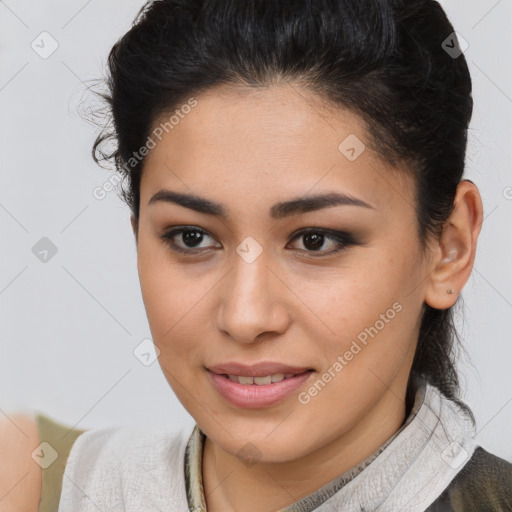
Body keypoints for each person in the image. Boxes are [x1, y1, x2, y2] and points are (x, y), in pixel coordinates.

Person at [2, 0, 511, 511]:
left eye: (316, 240)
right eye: (192, 237)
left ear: (449, 247)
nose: (245, 317)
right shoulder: (38, 481)